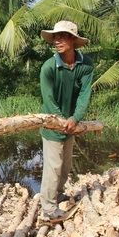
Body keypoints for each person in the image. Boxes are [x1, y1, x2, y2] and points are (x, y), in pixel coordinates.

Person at [39, 21, 94, 223]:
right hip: (53, 125)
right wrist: (63, 123)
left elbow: (84, 95)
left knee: (65, 165)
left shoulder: (85, 64)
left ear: (73, 40)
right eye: (56, 37)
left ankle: (59, 194)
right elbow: (49, 100)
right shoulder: (49, 67)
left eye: (62, 36)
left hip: (71, 123)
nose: (58, 41)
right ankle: (48, 209)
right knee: (53, 167)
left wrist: (75, 119)